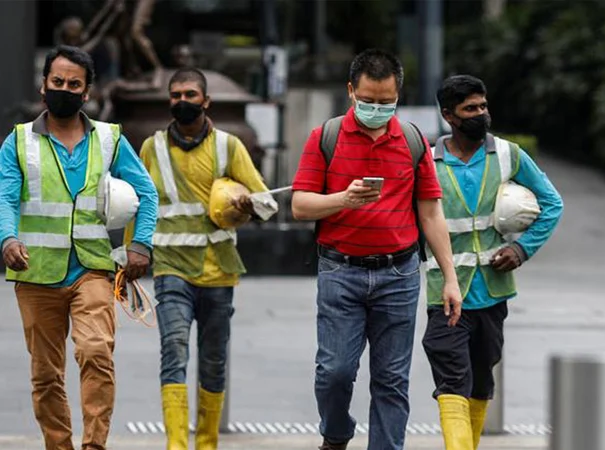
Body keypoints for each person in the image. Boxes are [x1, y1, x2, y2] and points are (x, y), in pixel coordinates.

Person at [291, 49, 461, 450]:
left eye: (386, 102)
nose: (377, 108)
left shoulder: (414, 140)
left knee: (391, 380)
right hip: (340, 272)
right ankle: (336, 433)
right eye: (368, 100)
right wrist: (342, 200)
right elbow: (300, 205)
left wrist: (449, 278)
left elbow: (431, 214)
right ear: (351, 91)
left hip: (399, 275)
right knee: (334, 372)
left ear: (398, 95)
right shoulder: (326, 137)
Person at [0, 45, 158, 450]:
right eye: (57, 83)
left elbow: (146, 192)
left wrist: (139, 244)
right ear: (43, 87)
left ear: (87, 92)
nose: (64, 90)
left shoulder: (109, 139)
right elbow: (4, 196)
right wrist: (8, 237)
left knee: (95, 352)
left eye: (74, 84)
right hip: (35, 270)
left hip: (92, 269)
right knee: (45, 374)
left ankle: (94, 446)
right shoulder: (18, 143)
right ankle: (59, 445)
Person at [133, 67, 271, 450]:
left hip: (219, 273)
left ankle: (206, 443)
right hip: (171, 268)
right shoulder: (152, 148)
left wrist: (247, 202)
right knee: (173, 350)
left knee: (212, 363)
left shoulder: (229, 147)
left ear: (206, 101)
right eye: (175, 95)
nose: (182, 101)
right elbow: (142, 205)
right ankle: (177, 445)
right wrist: (134, 253)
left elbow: (268, 202)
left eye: (190, 94)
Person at [422, 75, 563, 450]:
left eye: (483, 107)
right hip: (445, 293)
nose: (481, 115)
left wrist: (521, 249)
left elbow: (552, 204)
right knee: (451, 379)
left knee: (481, 381)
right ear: (449, 116)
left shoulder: (508, 155)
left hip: (492, 292)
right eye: (471, 109)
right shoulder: (427, 162)